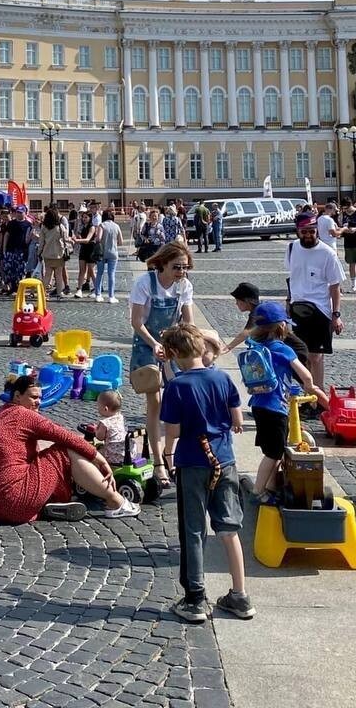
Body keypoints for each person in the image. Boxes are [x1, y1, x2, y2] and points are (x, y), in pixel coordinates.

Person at [160, 323, 254, 623]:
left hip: (192, 461)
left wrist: (167, 453)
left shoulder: (178, 386)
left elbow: (172, 431)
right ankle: (239, 595)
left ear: (174, 354)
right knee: (229, 529)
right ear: (202, 348)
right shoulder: (222, 378)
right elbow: (237, 419)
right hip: (224, 461)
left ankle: (195, 599)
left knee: (193, 530)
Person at [0, 374, 139, 522]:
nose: (38, 402)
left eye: (40, 397)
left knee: (38, 462)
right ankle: (116, 502)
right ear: (17, 396)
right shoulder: (25, 416)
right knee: (66, 449)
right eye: (33, 397)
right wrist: (100, 459)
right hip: (15, 502)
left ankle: (47, 504)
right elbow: (66, 436)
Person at [240, 302, 325, 504]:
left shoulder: (256, 345)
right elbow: (305, 375)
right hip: (275, 408)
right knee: (273, 453)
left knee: (274, 450)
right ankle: (258, 492)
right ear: (282, 327)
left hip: (258, 405)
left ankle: (269, 488)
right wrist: (313, 390)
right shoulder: (283, 349)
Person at [129, 241, 194, 488]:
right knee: (154, 403)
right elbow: (136, 321)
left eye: (185, 268)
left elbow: (188, 321)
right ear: (163, 264)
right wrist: (155, 344)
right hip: (146, 345)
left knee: (176, 402)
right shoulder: (145, 283)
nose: (181, 272)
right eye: (177, 267)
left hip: (172, 344)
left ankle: (171, 455)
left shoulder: (184, 285)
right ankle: (158, 462)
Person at [285, 211, 344, 393]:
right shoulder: (291, 248)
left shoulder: (327, 253)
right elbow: (292, 278)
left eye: (312, 231)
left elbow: (335, 286)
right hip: (298, 309)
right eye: (305, 231)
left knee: (315, 357)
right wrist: (288, 302)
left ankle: (317, 398)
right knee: (302, 356)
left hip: (320, 311)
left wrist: (336, 315)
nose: (309, 235)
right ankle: (309, 395)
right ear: (298, 231)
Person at [0, 206, 31, 296]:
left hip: (21, 251)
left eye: (21, 212)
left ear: (25, 213)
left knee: (20, 271)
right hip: (10, 250)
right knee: (9, 270)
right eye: (17, 212)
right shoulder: (11, 223)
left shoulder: (28, 224)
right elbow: (6, 235)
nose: (19, 214)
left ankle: (18, 288)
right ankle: (12, 287)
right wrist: (4, 249)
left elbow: (28, 238)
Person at [38, 207, 70, 298]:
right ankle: (60, 293)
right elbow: (65, 239)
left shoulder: (44, 227)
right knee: (58, 275)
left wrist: (39, 252)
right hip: (59, 253)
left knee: (47, 274)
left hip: (47, 253)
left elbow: (41, 242)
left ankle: (42, 293)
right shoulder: (60, 227)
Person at [93, 209, 122, 303]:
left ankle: (98, 294)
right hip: (113, 253)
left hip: (102, 253)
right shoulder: (116, 226)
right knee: (111, 274)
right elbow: (120, 242)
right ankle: (111, 296)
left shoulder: (102, 225)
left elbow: (98, 238)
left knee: (99, 273)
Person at [94, 390, 127, 465]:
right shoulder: (120, 417)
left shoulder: (104, 423)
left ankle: (95, 470)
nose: (97, 408)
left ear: (105, 409)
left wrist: (96, 430)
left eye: (98, 406)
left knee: (93, 454)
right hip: (124, 452)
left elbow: (100, 437)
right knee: (101, 447)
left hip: (112, 455)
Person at [73, 210, 101, 297]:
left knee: (91, 271)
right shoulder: (83, 227)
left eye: (86, 217)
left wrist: (76, 240)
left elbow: (88, 239)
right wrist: (78, 236)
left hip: (90, 249)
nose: (84, 219)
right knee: (82, 270)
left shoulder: (92, 227)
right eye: (83, 217)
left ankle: (97, 289)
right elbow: (82, 238)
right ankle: (79, 289)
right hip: (83, 249)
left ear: (90, 218)